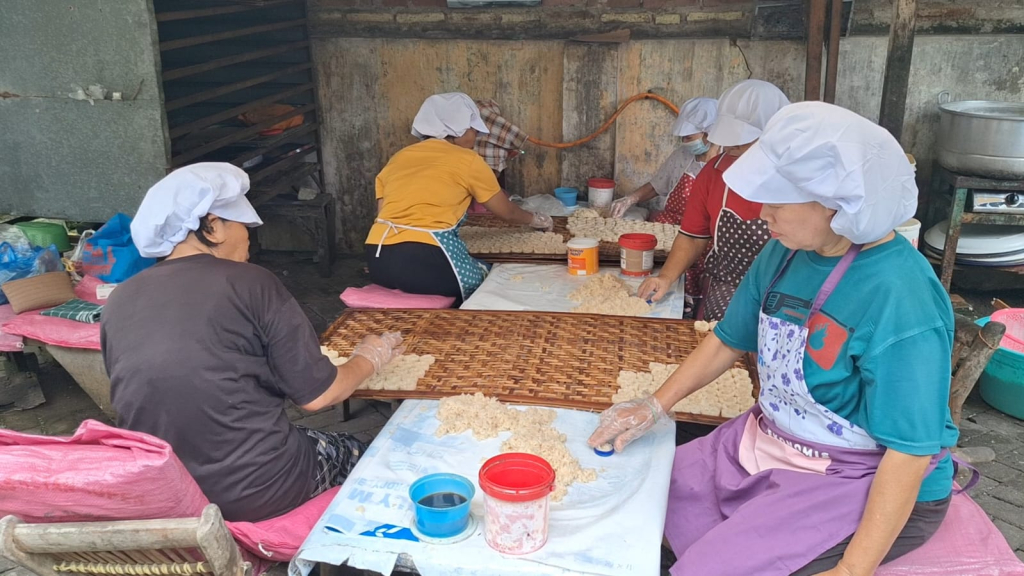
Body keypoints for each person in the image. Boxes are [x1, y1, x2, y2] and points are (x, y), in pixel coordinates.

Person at [590, 102, 962, 576]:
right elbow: (728, 340)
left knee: (708, 568)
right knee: (641, 494)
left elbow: (910, 450)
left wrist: (852, 569)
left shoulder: (900, 297)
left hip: (857, 476)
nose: (762, 211)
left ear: (838, 204)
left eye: (778, 201)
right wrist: (654, 406)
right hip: (773, 439)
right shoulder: (784, 252)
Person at [102, 163, 404, 523]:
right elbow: (319, 396)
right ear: (212, 226)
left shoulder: (119, 298)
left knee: (296, 435)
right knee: (364, 454)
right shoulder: (250, 282)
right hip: (260, 491)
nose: (249, 237)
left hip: (167, 491)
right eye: (242, 224)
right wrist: (370, 357)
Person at [366, 93, 552, 304]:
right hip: (426, 259)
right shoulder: (468, 160)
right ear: (457, 130)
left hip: (378, 258)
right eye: (472, 129)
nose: (475, 137)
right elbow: (506, 211)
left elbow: (383, 214)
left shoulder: (397, 158)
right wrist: (535, 219)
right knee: (494, 281)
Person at [638, 80, 789, 321]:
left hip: (790, 290)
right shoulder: (714, 173)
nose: (731, 147)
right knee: (719, 337)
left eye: (741, 142)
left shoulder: (800, 178)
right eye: (729, 139)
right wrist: (666, 277)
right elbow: (692, 236)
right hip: (729, 284)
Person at [609, 97, 719, 224]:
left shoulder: (727, 162)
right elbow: (655, 186)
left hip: (705, 230)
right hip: (672, 222)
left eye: (689, 138)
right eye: (682, 138)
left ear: (709, 133)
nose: (685, 142)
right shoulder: (681, 156)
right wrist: (629, 199)